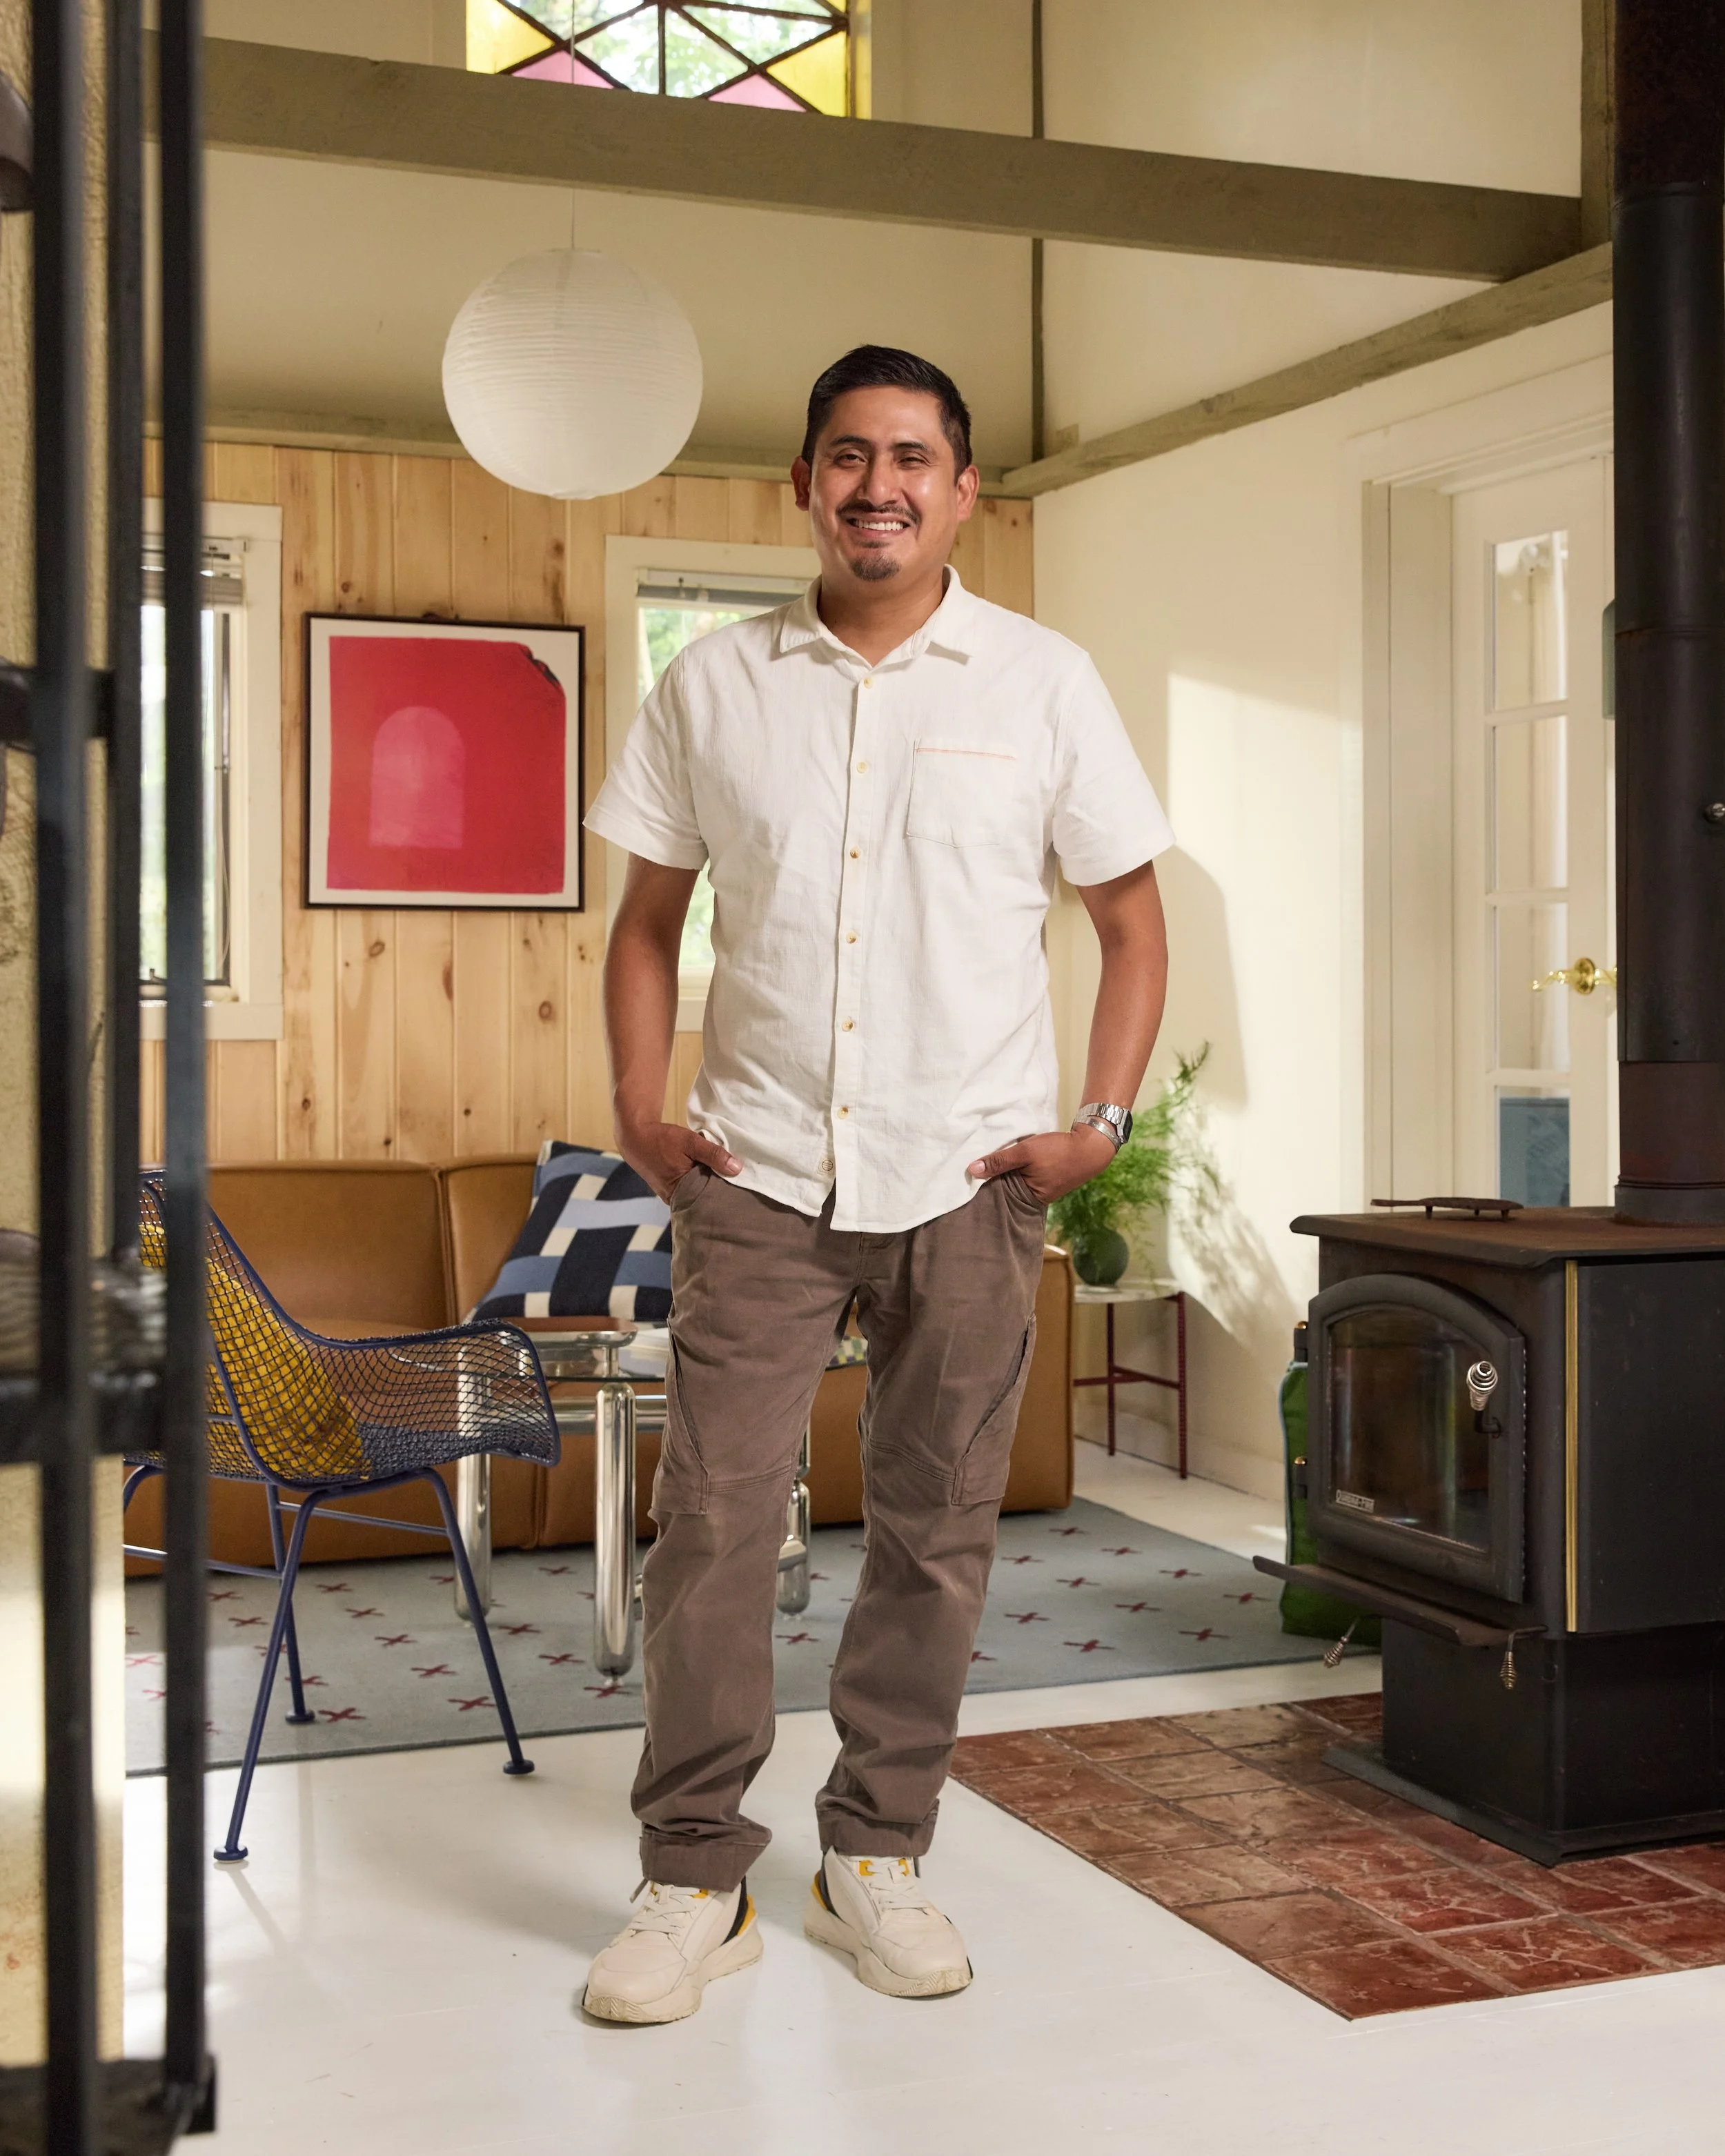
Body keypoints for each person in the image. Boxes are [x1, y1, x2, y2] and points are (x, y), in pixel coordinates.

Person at [580, 345, 1172, 2024]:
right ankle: (694, 1872)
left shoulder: (1043, 682)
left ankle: (877, 1847)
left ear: (962, 489)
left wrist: (1099, 1125)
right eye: (847, 455)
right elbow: (643, 921)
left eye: (911, 456)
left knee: (935, 1529)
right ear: (803, 483)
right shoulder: (713, 688)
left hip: (971, 1170)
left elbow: (1129, 923)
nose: (877, 486)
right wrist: (639, 1101)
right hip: (759, 1165)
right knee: (709, 1520)